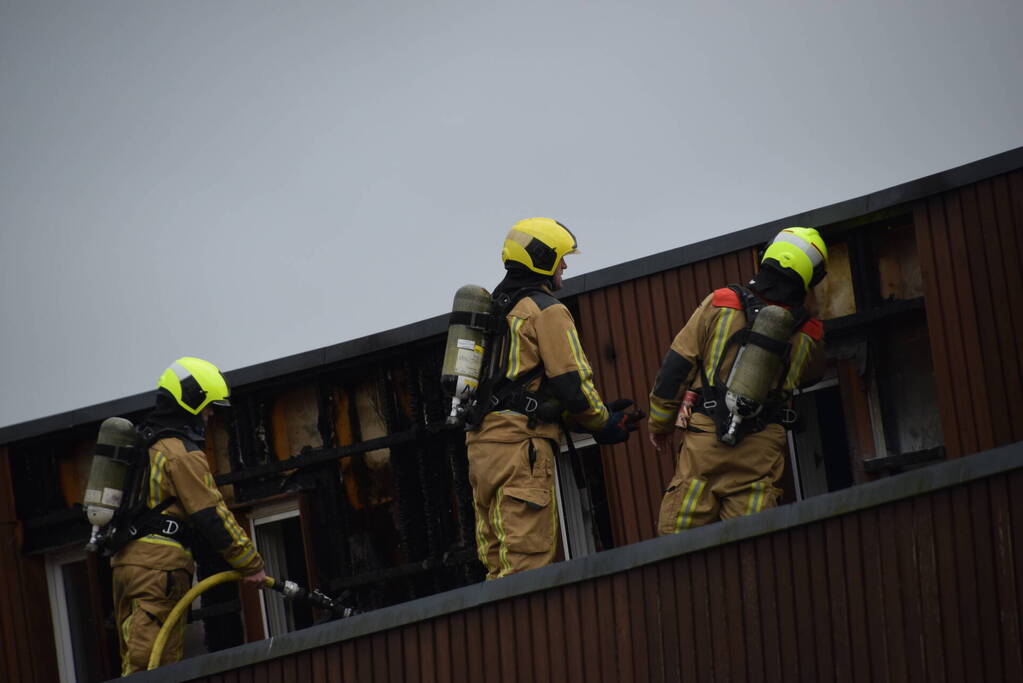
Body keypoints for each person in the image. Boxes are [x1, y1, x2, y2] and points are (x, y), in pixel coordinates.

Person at [466, 217, 641, 579]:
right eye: (561, 257)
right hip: (520, 450)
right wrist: (603, 422)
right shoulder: (545, 310)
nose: (565, 265)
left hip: (482, 448)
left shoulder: (495, 311)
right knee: (526, 565)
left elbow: (521, 390)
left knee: (498, 562)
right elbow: (572, 387)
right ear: (542, 259)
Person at [647, 227, 828, 534]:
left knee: (680, 549)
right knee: (753, 551)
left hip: (706, 441)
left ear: (767, 257)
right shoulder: (810, 333)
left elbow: (674, 369)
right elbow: (812, 374)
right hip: (760, 449)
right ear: (812, 275)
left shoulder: (722, 301)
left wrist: (660, 425)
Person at [110, 357, 266, 675]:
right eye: (208, 407)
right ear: (192, 401)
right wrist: (251, 563)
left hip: (125, 564)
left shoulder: (144, 444)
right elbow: (212, 514)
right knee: (154, 663)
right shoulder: (180, 453)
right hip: (159, 568)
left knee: (134, 653)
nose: (210, 415)